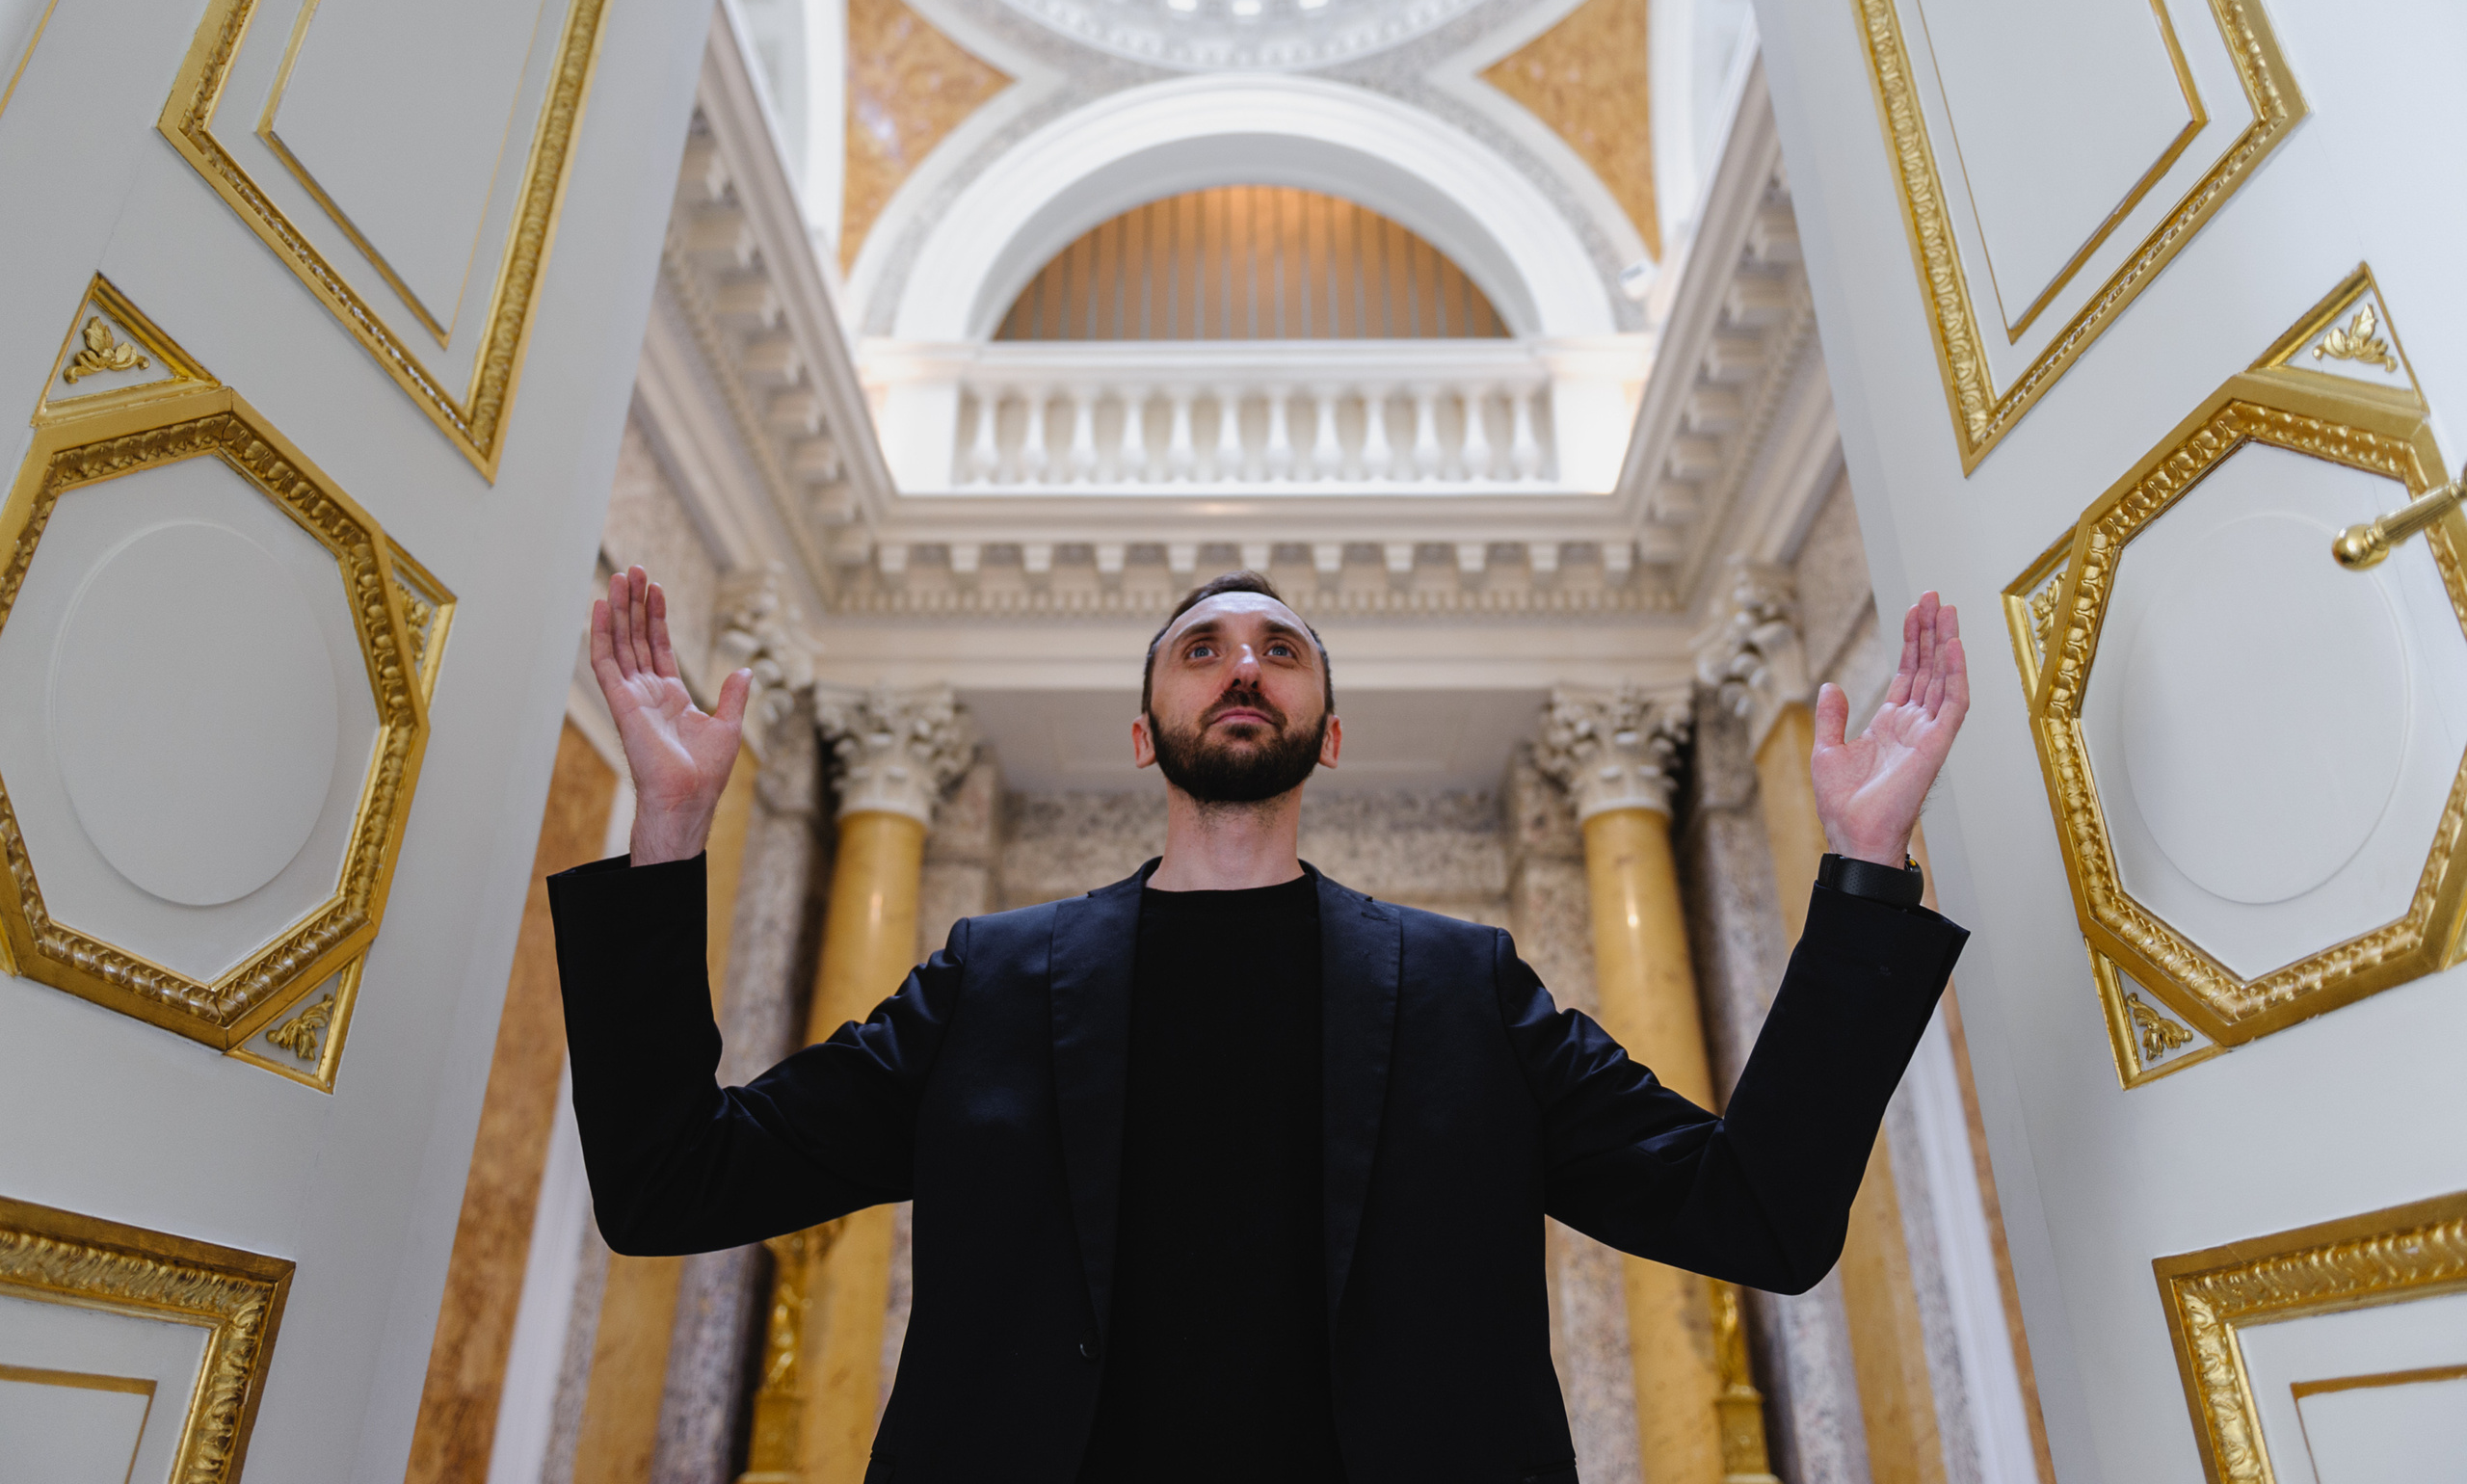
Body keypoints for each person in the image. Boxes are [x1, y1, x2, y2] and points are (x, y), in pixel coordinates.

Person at [551, 564, 1972, 1484]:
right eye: (1204, 649)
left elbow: (1759, 1217)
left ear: (1329, 733)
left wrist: (1861, 877)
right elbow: (674, 1184)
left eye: (1282, 650)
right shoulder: (988, 983)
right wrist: (669, 827)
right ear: (1143, 729)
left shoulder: (1469, 993)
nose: (1245, 665)